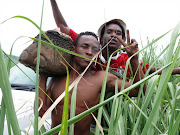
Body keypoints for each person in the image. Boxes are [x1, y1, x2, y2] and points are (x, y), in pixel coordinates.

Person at [38, 31, 146, 135]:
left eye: (94, 49)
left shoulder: (101, 78)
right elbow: (40, 113)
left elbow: (139, 91)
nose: (89, 52)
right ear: (73, 50)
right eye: (84, 47)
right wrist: (42, 75)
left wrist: (134, 59)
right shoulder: (57, 79)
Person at [50, 0, 180, 76]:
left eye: (118, 33)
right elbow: (62, 26)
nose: (114, 35)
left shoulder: (126, 60)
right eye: (109, 32)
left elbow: (152, 70)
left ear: (123, 39)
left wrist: (179, 70)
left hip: (114, 115)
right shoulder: (88, 49)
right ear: (100, 39)